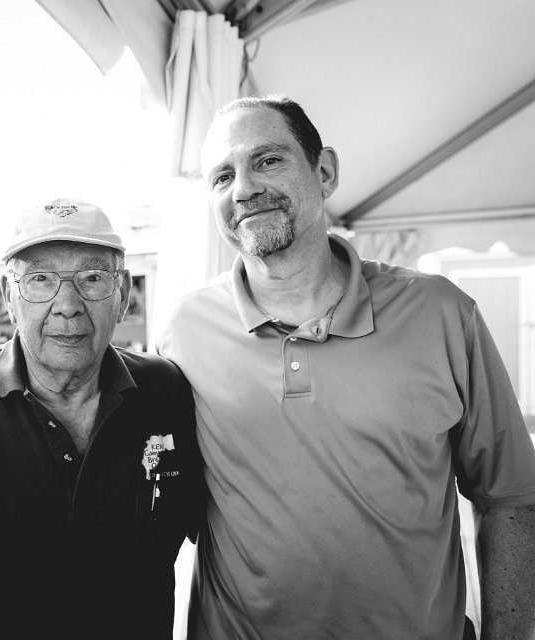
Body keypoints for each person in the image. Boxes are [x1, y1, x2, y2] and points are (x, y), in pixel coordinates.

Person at [155, 95, 535, 640]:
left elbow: (511, 497)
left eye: (268, 160)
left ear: (325, 171)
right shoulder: (183, 330)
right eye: (222, 177)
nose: (243, 189)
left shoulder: (441, 313)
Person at [0, 198, 203, 640]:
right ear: (8, 297)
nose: (67, 305)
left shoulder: (166, 390)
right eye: (40, 279)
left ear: (123, 295)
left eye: (92, 278)